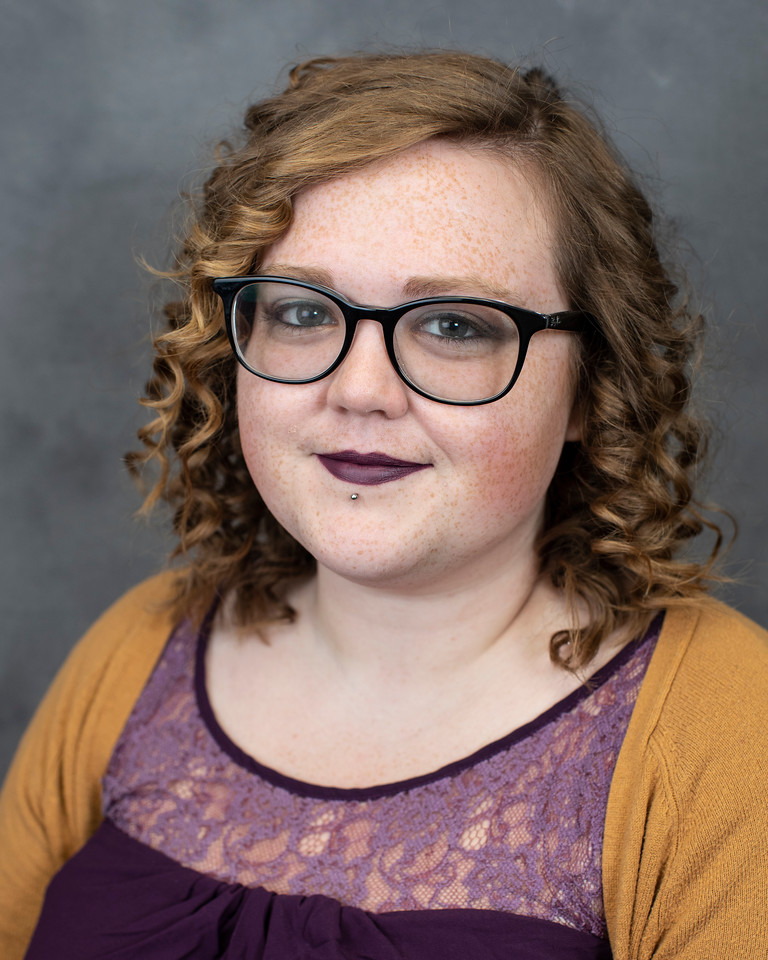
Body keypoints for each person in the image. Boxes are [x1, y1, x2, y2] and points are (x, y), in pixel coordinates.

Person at [0, 50, 766, 960]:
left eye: (455, 325)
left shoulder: (730, 728)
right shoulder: (137, 651)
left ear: (593, 388)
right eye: (302, 311)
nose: (360, 390)